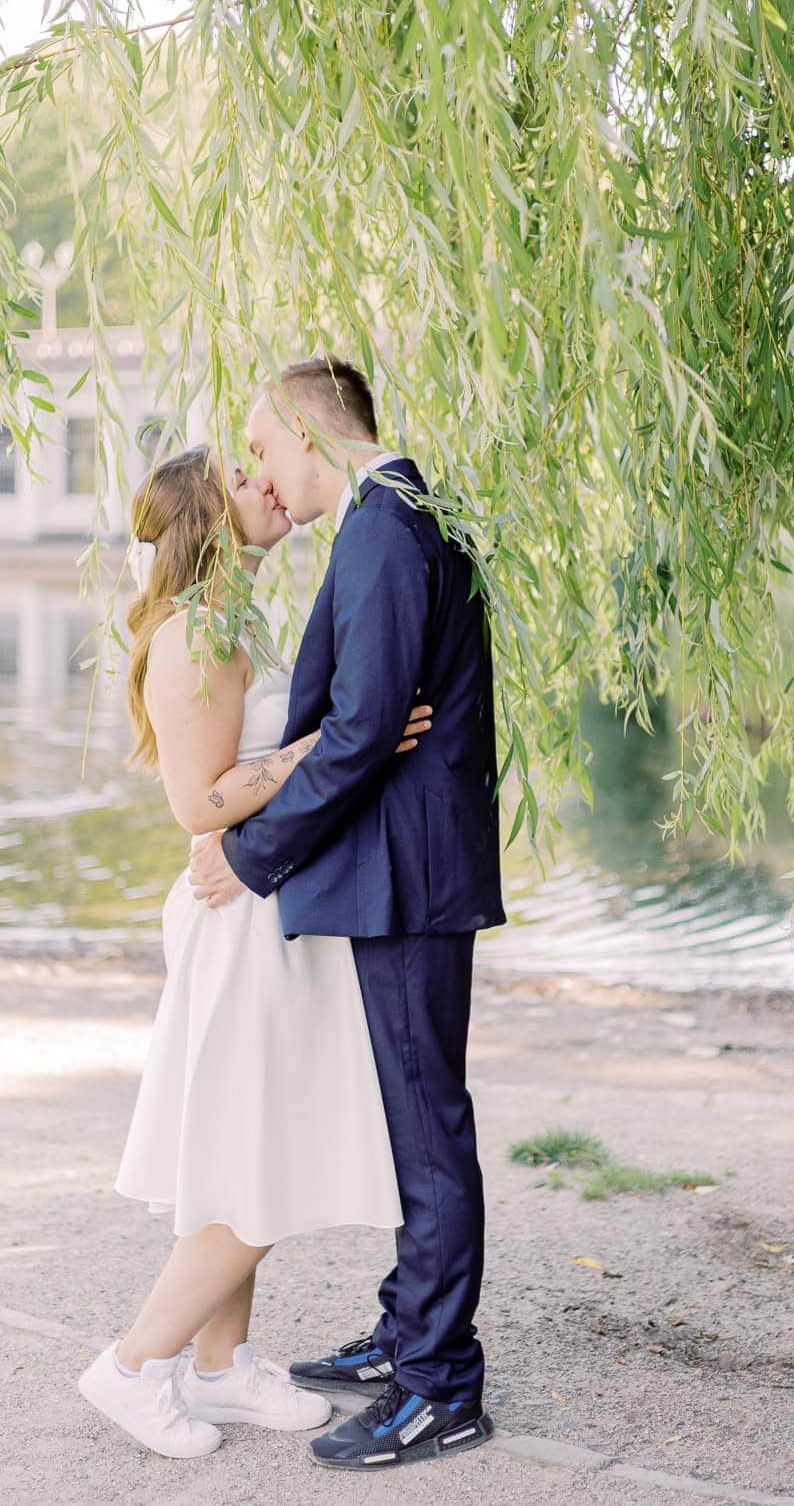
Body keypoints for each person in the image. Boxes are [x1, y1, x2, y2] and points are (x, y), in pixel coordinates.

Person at [77, 446, 429, 1460]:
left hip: (265, 909)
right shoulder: (199, 633)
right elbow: (199, 802)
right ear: (207, 516)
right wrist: (340, 742)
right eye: (242, 477)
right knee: (260, 1154)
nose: (269, 481)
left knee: (247, 1142)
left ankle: (221, 1370)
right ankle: (136, 1364)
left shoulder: (239, 620)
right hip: (241, 921)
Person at [190, 355, 507, 1470]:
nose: (260, 472)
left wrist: (253, 852)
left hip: (412, 875)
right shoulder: (407, 512)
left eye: (264, 446)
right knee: (413, 1119)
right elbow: (375, 722)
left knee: (427, 1128)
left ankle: (440, 1386)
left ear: (304, 430)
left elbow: (368, 731)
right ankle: (407, 1327)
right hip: (412, 866)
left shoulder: (380, 529)